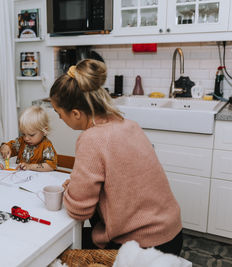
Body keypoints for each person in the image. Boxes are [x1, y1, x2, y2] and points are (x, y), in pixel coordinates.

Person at [49, 59, 183, 256]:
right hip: (172, 235)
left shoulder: (91, 138)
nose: (60, 119)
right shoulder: (128, 124)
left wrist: (71, 191)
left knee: (60, 247)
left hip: (142, 247)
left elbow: (79, 210)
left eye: (60, 114)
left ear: (76, 113)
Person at [0, 106, 57, 172]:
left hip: (39, 179)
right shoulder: (21, 141)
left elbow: (51, 166)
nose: (26, 138)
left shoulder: (46, 145)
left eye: (31, 135)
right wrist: (5, 147)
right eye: (23, 134)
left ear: (44, 131)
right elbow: (10, 147)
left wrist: (30, 166)